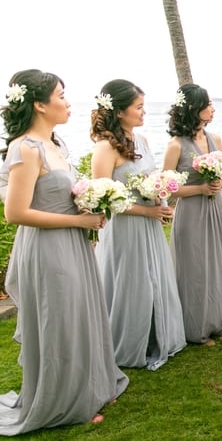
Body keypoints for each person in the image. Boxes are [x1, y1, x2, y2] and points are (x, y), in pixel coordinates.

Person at [0, 69, 128, 435]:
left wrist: (88, 208)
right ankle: (61, 401)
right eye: (60, 95)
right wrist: (78, 222)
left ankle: (87, 387)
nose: (68, 102)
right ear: (39, 104)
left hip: (72, 243)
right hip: (46, 249)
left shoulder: (56, 145)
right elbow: (16, 212)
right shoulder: (25, 147)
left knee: (79, 315)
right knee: (59, 323)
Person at [90, 79, 186, 369]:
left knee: (154, 280)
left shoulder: (141, 140)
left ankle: (156, 335)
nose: (144, 113)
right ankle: (128, 342)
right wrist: (146, 213)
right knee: (131, 283)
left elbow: (151, 177)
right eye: (139, 107)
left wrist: (162, 201)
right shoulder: (105, 148)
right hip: (125, 229)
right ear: (120, 111)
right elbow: (102, 199)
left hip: (149, 223)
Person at [163, 83, 222, 345]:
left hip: (215, 210)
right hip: (191, 212)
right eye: (207, 105)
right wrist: (200, 188)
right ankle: (196, 326)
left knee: (218, 263)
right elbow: (168, 188)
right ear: (194, 109)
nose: (212, 109)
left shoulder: (214, 139)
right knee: (195, 268)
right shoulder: (176, 146)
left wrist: (220, 183)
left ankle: (220, 320)